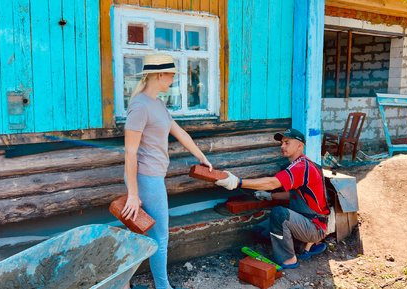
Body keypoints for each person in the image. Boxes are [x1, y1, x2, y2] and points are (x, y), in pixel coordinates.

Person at [121, 53, 212, 289]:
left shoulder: (157, 103)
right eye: (171, 75)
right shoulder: (140, 106)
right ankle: (163, 287)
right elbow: (130, 153)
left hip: (151, 178)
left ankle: (123, 284)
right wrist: (133, 194)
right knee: (160, 236)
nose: (174, 79)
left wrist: (201, 157)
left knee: (140, 234)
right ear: (160, 75)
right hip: (145, 180)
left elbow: (179, 132)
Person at [215, 128, 329, 269]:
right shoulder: (298, 164)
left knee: (279, 214)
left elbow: (272, 183)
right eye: (282, 143)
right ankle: (303, 245)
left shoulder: (302, 167)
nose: (282, 146)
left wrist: (238, 182)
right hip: (305, 221)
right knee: (259, 231)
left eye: (287, 142)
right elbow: (295, 195)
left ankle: (289, 259)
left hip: (314, 226)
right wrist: (269, 196)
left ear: (300, 145)